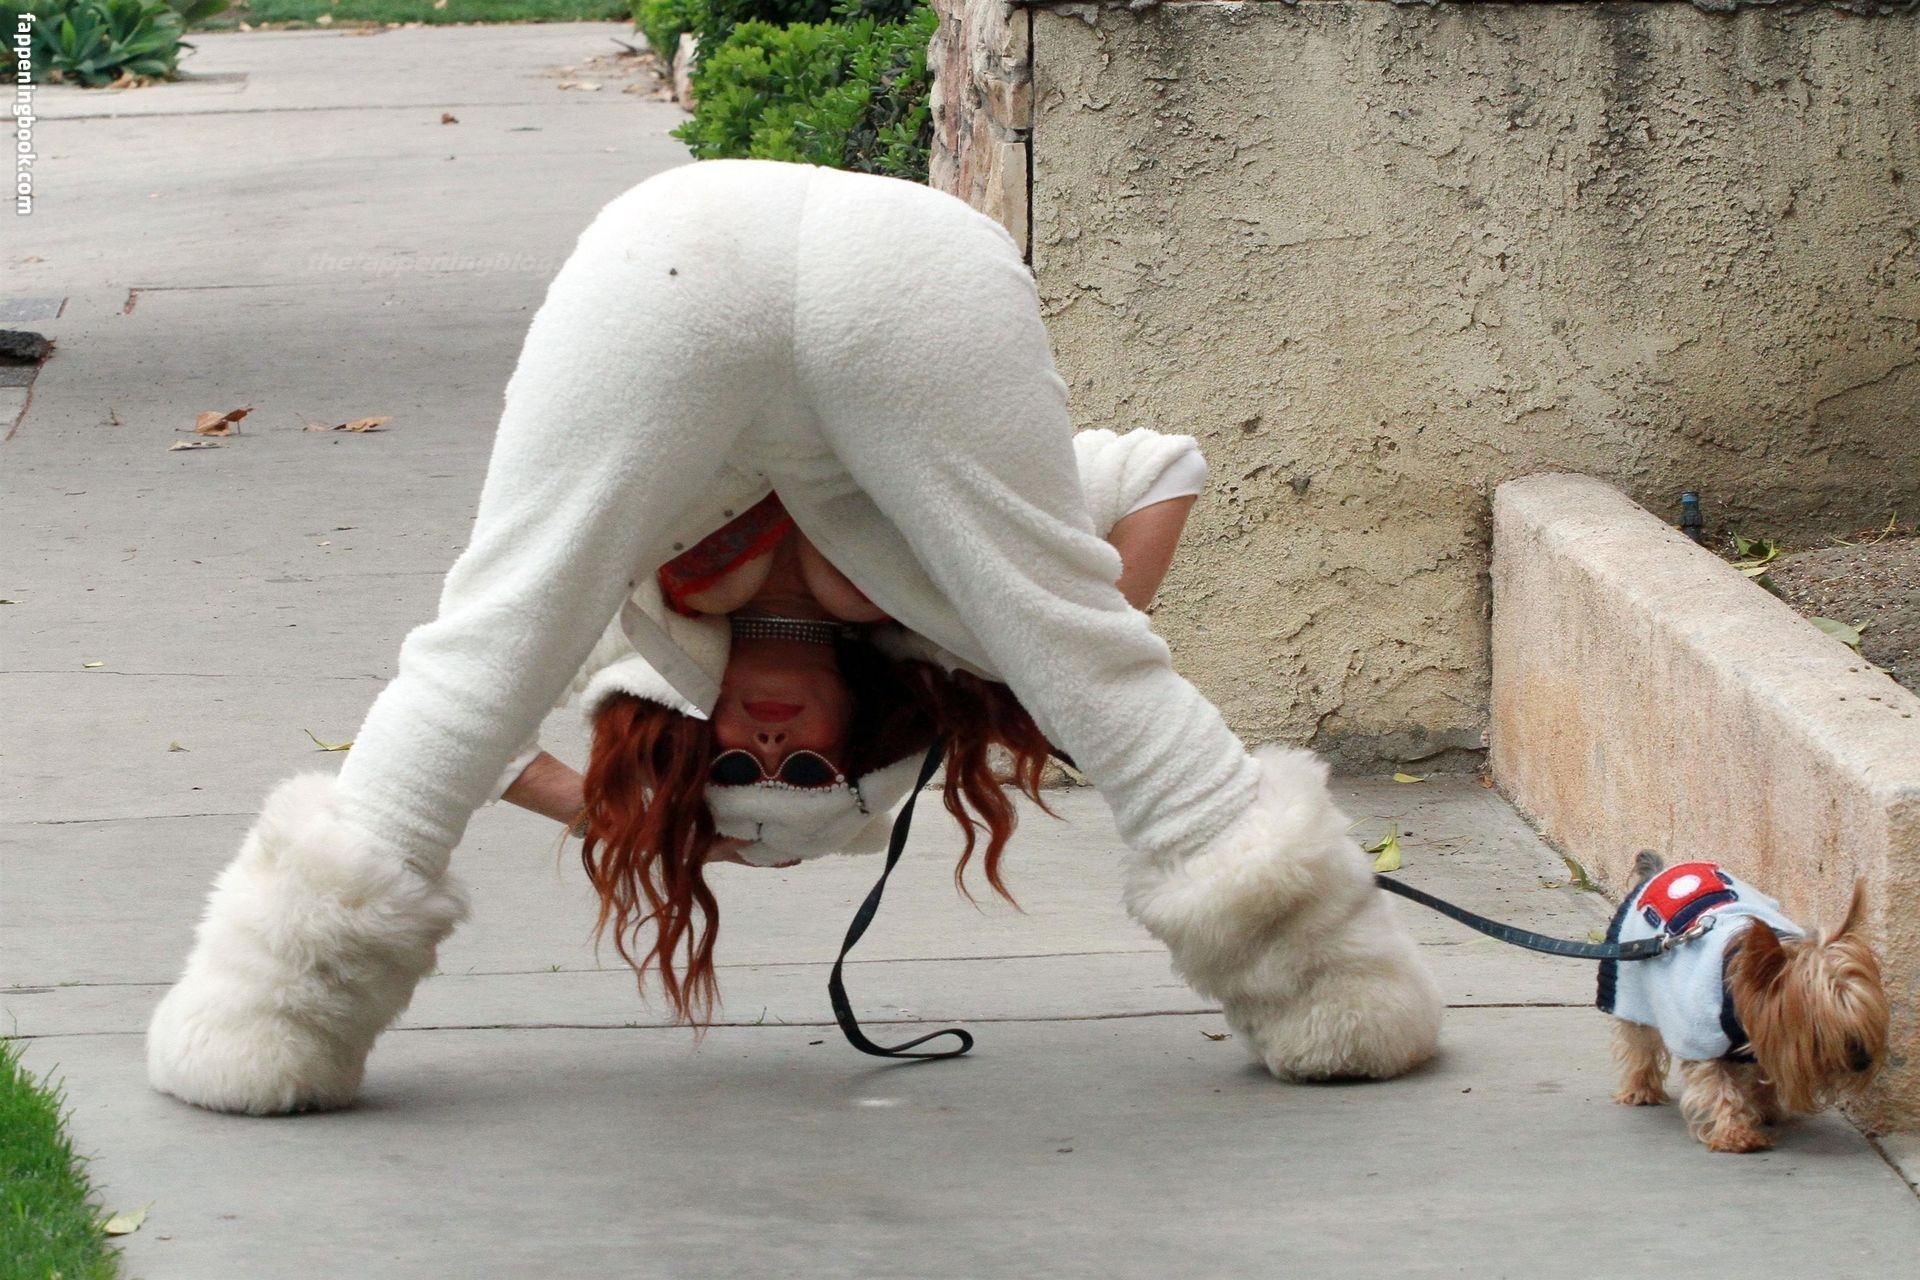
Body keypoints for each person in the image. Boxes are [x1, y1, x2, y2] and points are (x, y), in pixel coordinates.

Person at [145, 159, 1443, 1116]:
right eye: (806, 771)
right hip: (915, 270)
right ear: (868, 736)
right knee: (1096, 675)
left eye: (734, 770)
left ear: (690, 738)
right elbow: (1160, 470)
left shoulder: (642, 644)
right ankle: (1332, 996)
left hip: (676, 252)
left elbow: (471, 710)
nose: (766, 744)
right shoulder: (943, 626)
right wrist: (1050, 647)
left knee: (486, 649)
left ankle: (269, 1021)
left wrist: (627, 815)